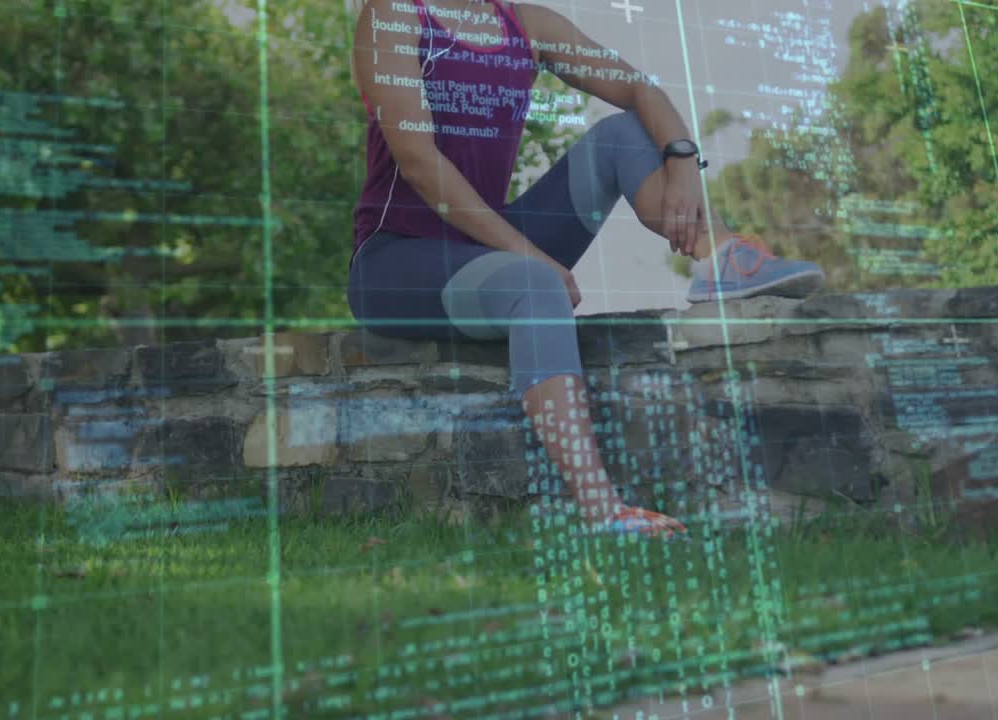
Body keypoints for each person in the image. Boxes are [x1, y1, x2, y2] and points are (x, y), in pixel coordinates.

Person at [348, 0, 824, 537]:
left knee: (623, 133)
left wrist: (683, 158)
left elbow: (638, 87)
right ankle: (603, 511)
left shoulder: (526, 25)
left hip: (488, 247)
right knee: (533, 282)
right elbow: (417, 160)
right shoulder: (392, 17)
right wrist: (532, 257)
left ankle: (719, 257)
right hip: (396, 260)